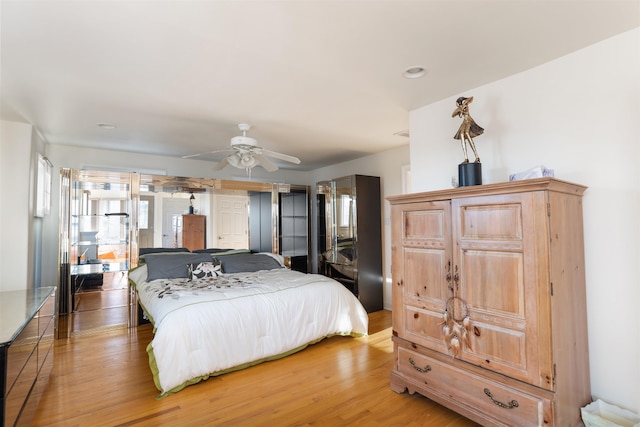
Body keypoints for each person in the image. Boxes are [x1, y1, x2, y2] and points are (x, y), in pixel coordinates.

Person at [452, 96, 483, 163]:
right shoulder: (460, 107)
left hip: (468, 120)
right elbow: (456, 115)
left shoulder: (465, 105)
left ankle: (477, 156)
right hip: (464, 122)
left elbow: (468, 102)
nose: (460, 105)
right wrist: (459, 110)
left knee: (467, 133)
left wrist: (462, 108)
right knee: (461, 134)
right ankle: (466, 158)